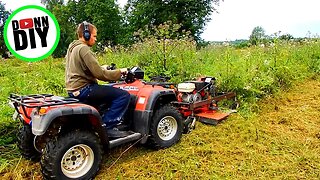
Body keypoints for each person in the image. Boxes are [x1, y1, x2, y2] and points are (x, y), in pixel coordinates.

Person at [65, 21, 131, 131]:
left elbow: (82, 68)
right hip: (84, 89)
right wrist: (120, 72)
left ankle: (99, 121)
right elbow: (100, 75)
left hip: (73, 89)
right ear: (86, 35)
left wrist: (102, 67)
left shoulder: (73, 47)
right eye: (94, 36)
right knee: (123, 96)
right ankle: (106, 127)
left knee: (107, 93)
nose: (96, 39)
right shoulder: (84, 49)